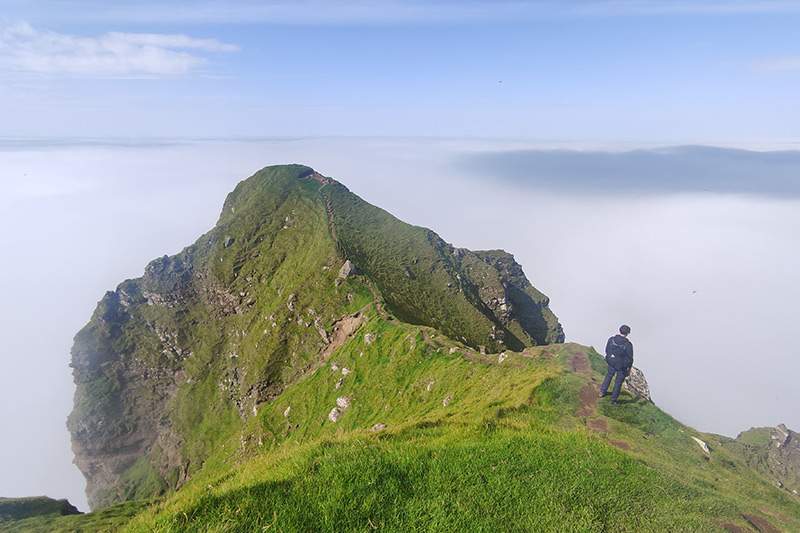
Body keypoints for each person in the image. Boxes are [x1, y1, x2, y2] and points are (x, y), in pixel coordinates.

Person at [600, 324, 633, 404]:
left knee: (609, 375)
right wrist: (628, 368)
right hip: (621, 366)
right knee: (618, 382)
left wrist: (611, 358)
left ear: (620, 330)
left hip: (611, 362)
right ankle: (613, 400)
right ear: (627, 333)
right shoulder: (628, 344)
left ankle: (602, 392)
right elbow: (630, 358)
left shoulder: (611, 339)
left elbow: (607, 350)